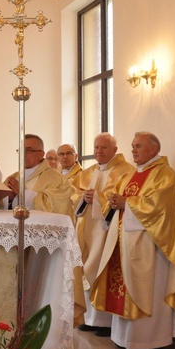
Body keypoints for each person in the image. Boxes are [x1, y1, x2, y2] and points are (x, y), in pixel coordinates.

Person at [90, 131, 175, 349]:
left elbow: (161, 208)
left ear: (153, 149)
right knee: (124, 289)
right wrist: (113, 204)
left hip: (150, 248)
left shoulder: (165, 175)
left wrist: (127, 203)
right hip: (124, 244)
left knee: (147, 291)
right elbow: (115, 204)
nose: (133, 150)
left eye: (139, 146)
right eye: (133, 146)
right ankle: (124, 338)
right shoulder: (131, 175)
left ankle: (150, 343)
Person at [74, 133, 135, 336]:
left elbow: (123, 197)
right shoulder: (89, 171)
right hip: (86, 227)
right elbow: (72, 194)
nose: (99, 151)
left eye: (104, 148)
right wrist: (83, 197)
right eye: (96, 147)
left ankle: (104, 321)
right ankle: (90, 318)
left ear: (115, 150)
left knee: (102, 269)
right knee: (84, 267)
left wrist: (98, 198)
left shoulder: (125, 171)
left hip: (106, 229)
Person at [4, 134, 75, 217]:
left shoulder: (57, 179)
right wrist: (10, 199)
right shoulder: (13, 177)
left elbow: (58, 207)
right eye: (21, 151)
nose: (23, 154)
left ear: (41, 154)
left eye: (28, 150)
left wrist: (22, 193)